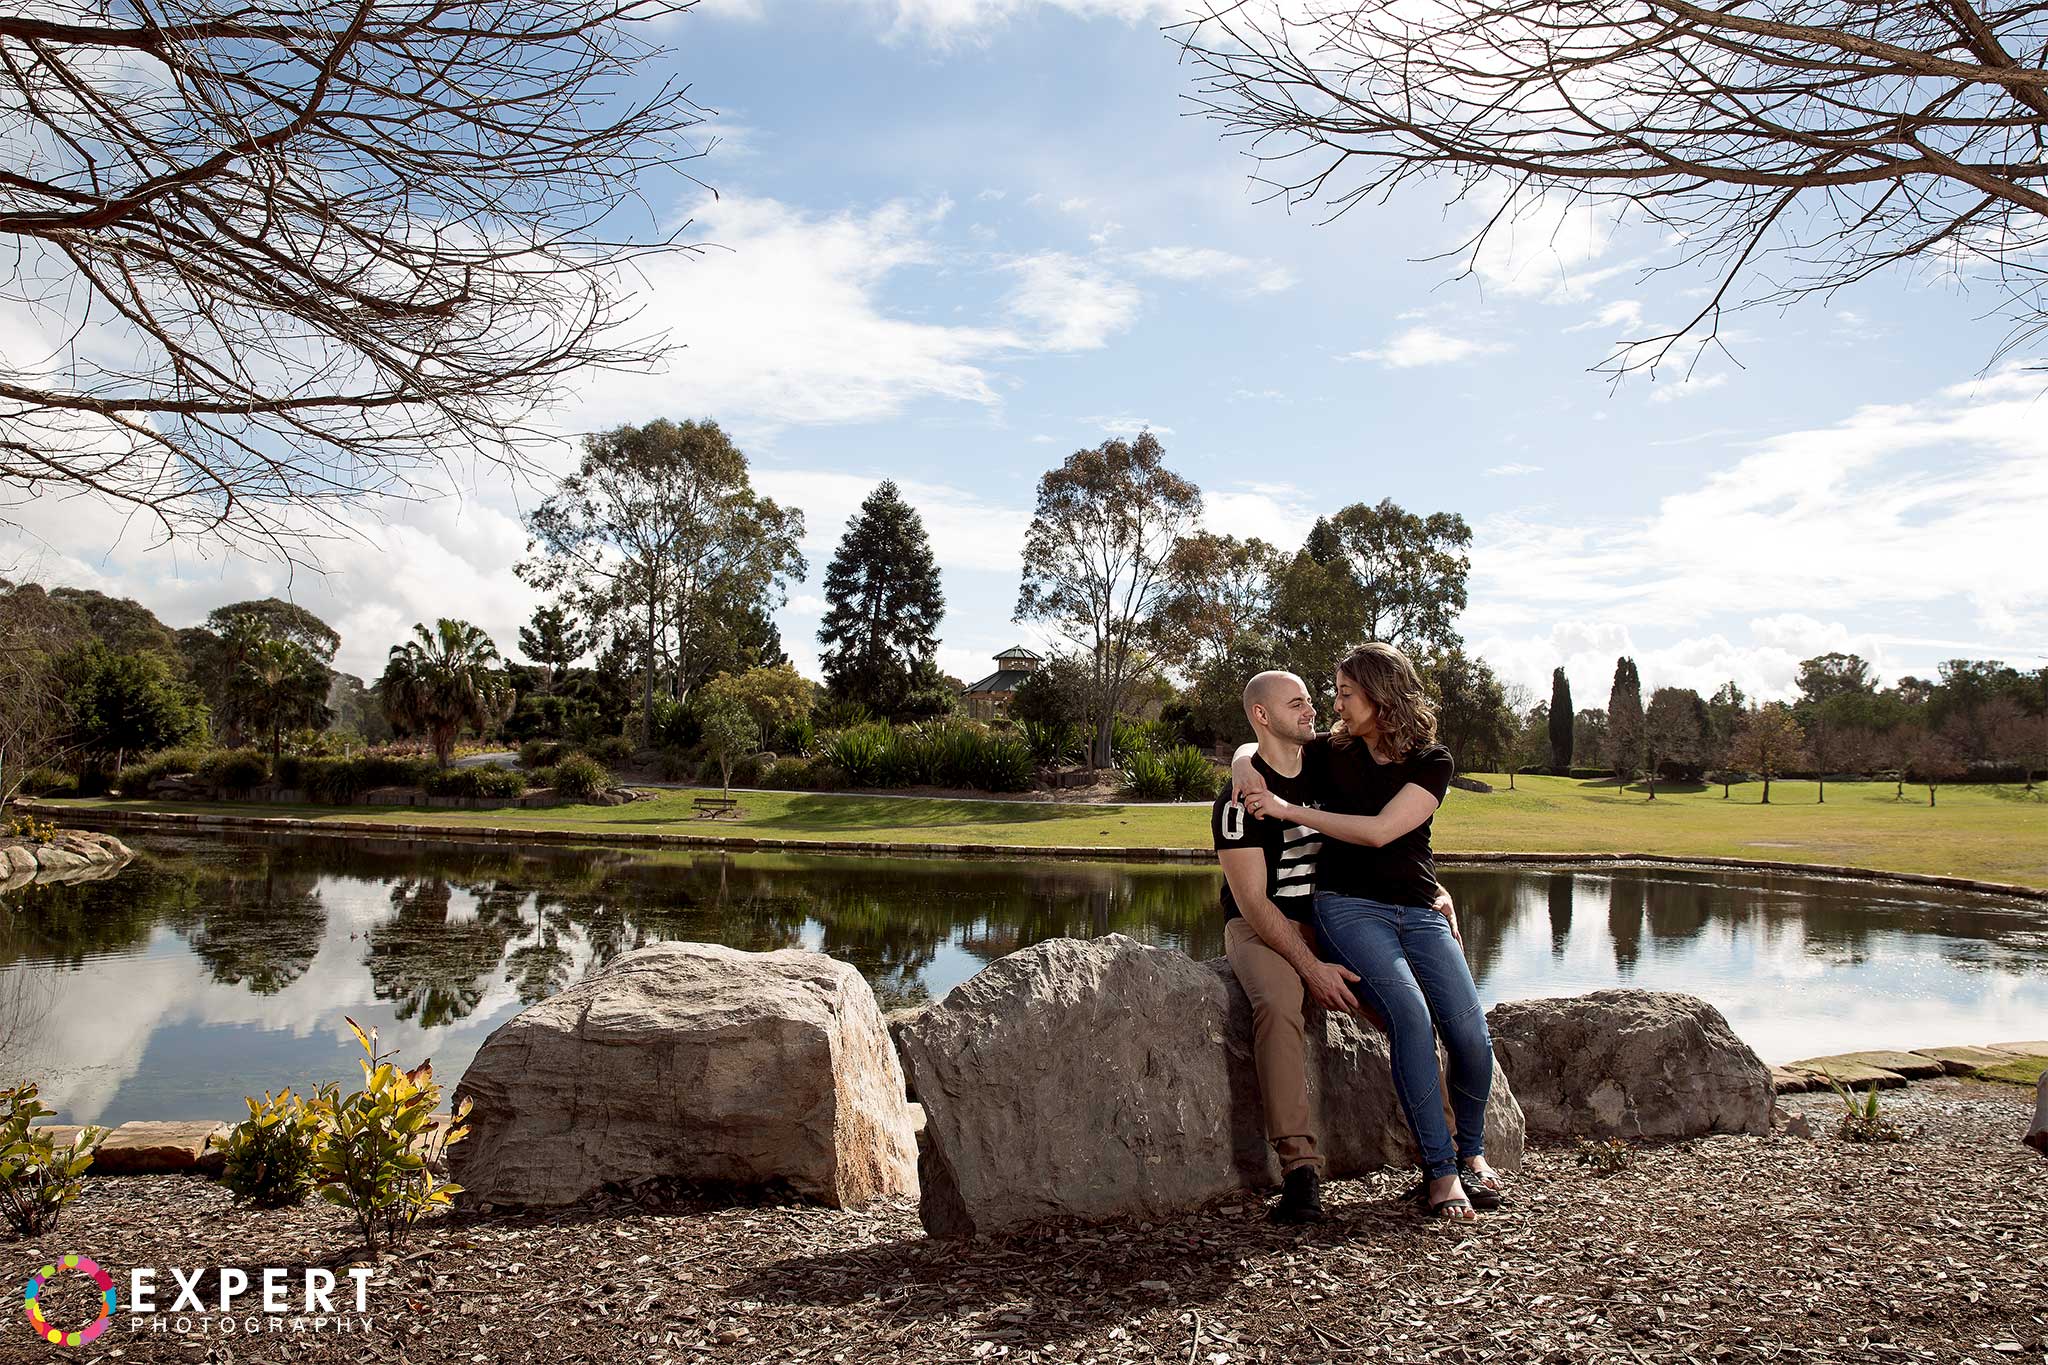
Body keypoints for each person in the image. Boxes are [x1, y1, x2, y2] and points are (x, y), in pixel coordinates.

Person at [1234, 643, 1502, 1223]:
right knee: (1409, 1016)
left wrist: (1287, 810)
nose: (1333, 705)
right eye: (1332, 694)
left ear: (1380, 696)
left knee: (1470, 1035)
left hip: (1421, 910)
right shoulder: (1336, 751)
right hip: (1348, 908)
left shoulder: (1432, 760)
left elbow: (1384, 832)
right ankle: (1440, 1173)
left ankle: (1471, 1152)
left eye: (1345, 694)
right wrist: (1240, 767)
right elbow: (1261, 743)